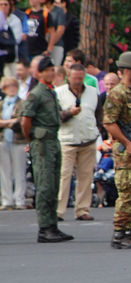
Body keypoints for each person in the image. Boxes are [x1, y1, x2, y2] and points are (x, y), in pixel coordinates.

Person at [21, 56, 73, 242]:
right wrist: (32, 139)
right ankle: (44, 228)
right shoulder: (36, 94)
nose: (51, 73)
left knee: (54, 184)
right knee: (44, 185)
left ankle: (53, 226)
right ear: (39, 73)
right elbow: (25, 120)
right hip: (42, 143)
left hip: (53, 141)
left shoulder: (50, 92)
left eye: (52, 70)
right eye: (47, 70)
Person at [102, 51, 131, 249]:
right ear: (127, 70)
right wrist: (127, 143)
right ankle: (120, 233)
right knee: (127, 192)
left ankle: (129, 230)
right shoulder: (118, 93)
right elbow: (109, 123)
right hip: (124, 152)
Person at [55, 63, 100, 221]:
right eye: (75, 78)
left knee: (86, 176)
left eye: (80, 78)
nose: (77, 81)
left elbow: (98, 113)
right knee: (63, 176)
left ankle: (82, 209)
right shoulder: (59, 92)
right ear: (69, 76)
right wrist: (69, 113)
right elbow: (55, 116)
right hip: (67, 139)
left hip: (88, 138)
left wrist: (98, 130)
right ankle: (58, 211)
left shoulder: (93, 92)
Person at [0, 76, 26, 210]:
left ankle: (20, 200)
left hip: (18, 140)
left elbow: (20, 120)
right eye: (8, 86)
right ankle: (6, 200)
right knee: (4, 172)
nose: (11, 88)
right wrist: (8, 122)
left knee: (19, 171)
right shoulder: (1, 104)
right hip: (3, 140)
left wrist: (6, 123)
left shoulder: (22, 103)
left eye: (14, 85)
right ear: (4, 88)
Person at [1, 0, 23, 77]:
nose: (3, 6)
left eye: (5, 4)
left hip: (10, 56)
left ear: (10, 6)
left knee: (10, 79)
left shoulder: (15, 20)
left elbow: (17, 39)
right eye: (1, 4)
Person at [43, 0, 65, 65]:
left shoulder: (59, 11)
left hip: (56, 45)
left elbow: (60, 29)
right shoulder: (40, 11)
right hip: (41, 46)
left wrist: (51, 44)